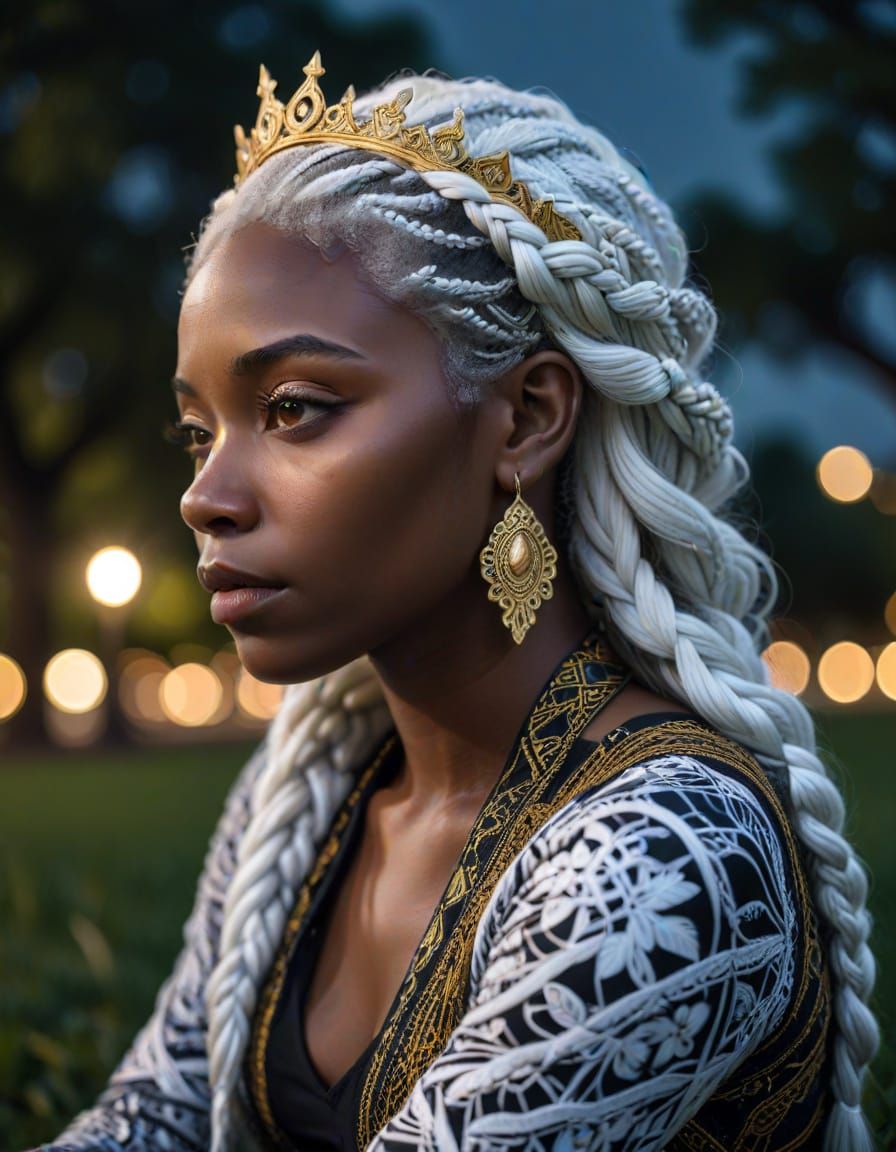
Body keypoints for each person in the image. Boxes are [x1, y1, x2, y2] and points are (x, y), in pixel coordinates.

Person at [37, 51, 878, 1152]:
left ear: (527, 417)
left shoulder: (666, 846)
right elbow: (147, 1119)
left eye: (292, 408)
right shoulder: (309, 789)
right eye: (201, 431)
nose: (205, 496)